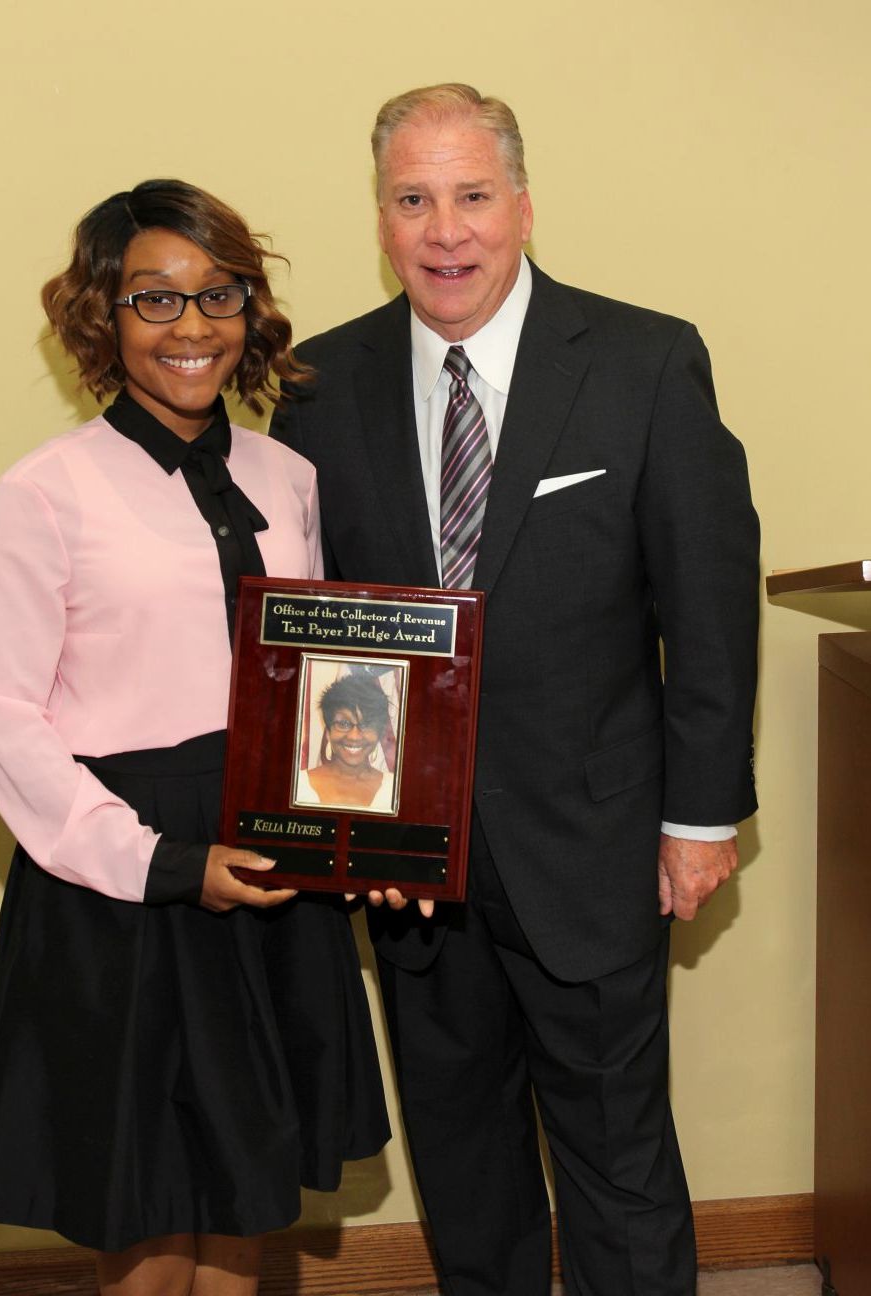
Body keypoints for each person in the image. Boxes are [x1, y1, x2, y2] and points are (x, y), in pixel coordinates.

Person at [271, 85, 759, 1296]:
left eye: (472, 195)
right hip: (411, 872)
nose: (446, 230)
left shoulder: (645, 360)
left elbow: (706, 601)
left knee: (617, 1163)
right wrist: (349, 818)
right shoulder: (320, 384)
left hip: (590, 844)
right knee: (464, 1167)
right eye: (412, 199)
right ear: (379, 220)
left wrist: (700, 820)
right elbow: (323, 621)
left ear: (523, 207)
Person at [0, 179, 389, 1296]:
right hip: (124, 880)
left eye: (218, 294)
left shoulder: (287, 479)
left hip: (273, 860)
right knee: (143, 1204)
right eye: (155, 299)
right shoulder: (42, 494)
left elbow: (336, 681)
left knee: (248, 1184)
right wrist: (155, 862)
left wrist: (381, 832)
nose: (191, 325)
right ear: (103, 316)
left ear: (249, 309)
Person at [295, 672, 395, 811]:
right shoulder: (297, 786)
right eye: (343, 724)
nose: (354, 736)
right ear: (328, 731)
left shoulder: (395, 790)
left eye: (366, 725)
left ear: (378, 733)